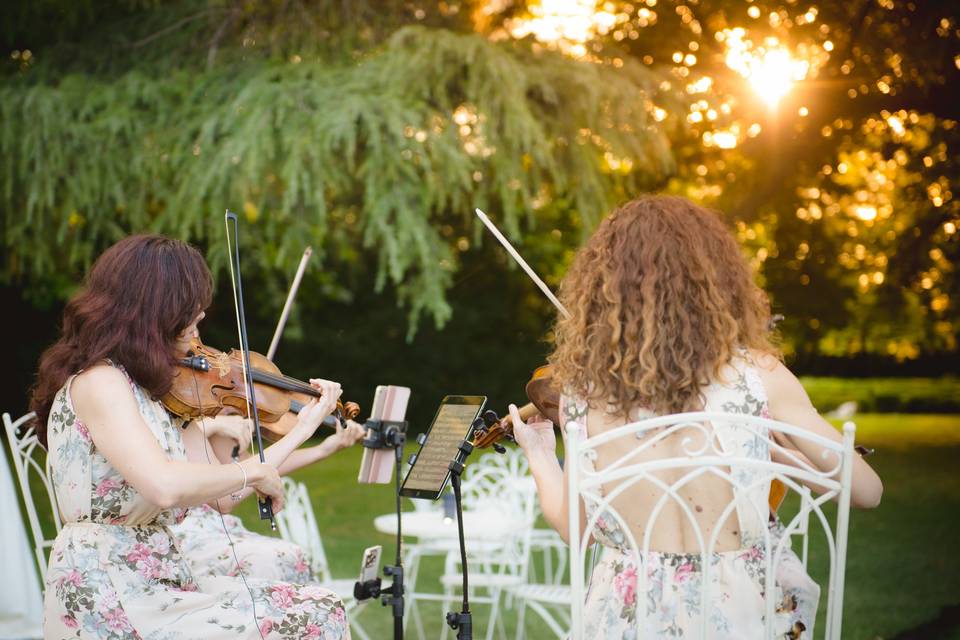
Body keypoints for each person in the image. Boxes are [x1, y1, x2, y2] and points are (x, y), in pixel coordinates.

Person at [508, 195, 883, 639]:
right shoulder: (761, 377)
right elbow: (866, 490)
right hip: (738, 619)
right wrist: (774, 453)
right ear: (716, 281)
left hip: (624, 621)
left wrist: (540, 455)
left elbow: (578, 530)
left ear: (604, 290)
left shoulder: (584, 393)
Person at [30, 234, 350, 639]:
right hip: (109, 588)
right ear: (157, 311)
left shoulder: (158, 390)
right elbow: (164, 486)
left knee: (319, 606)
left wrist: (299, 433)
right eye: (191, 309)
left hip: (160, 582)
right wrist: (265, 463)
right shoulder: (102, 382)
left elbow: (224, 497)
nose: (200, 318)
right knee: (313, 617)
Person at [173, 412, 366, 583]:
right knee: (278, 559)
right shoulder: (182, 415)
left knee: (291, 556)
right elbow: (232, 490)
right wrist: (212, 424)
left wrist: (322, 449)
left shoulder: (201, 413)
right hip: (180, 529)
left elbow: (253, 468)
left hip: (215, 526)